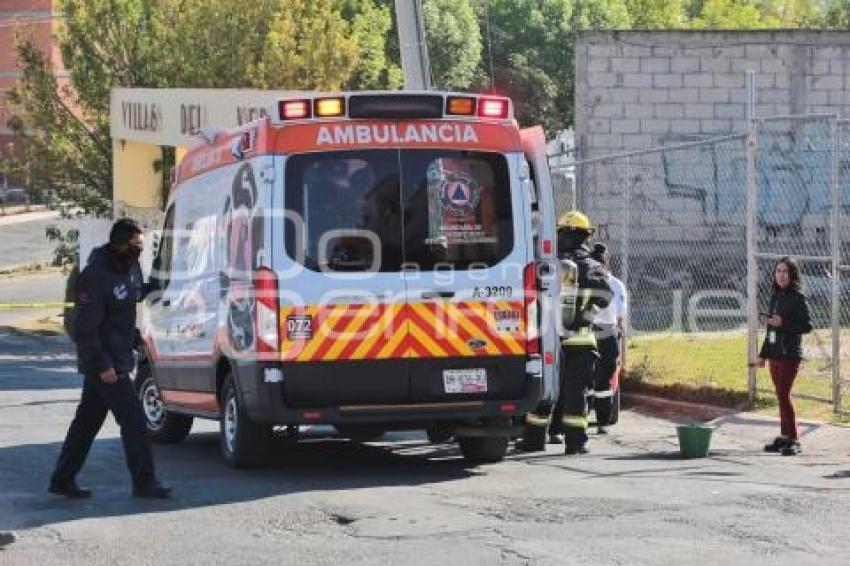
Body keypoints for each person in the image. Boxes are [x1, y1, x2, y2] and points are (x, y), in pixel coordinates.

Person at [49, 219, 171, 499]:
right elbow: (85, 329)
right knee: (135, 421)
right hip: (105, 365)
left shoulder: (127, 269)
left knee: (86, 423)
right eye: (136, 245)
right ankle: (144, 482)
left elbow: (124, 308)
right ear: (120, 243)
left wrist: (135, 336)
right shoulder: (95, 276)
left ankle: (62, 479)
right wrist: (102, 365)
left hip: (117, 358)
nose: (139, 250)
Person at [519, 211, 611, 455]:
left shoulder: (547, 265)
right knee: (576, 392)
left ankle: (534, 439)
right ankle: (576, 442)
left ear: (561, 234)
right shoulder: (592, 267)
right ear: (585, 236)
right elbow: (606, 298)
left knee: (545, 388)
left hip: (548, 339)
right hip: (581, 341)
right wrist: (585, 317)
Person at [756, 256, 812, 457]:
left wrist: (783, 324)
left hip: (790, 355)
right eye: (778, 271)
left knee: (783, 394)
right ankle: (784, 435)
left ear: (792, 275)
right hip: (775, 355)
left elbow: (806, 326)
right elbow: (772, 329)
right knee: (779, 395)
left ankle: (794, 438)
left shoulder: (798, 297)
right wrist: (764, 355)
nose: (781, 275)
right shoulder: (775, 296)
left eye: (785, 271)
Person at [588, 243, 626, 434]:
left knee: (594, 377)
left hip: (596, 331)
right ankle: (597, 420)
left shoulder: (612, 284)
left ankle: (595, 418)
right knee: (598, 377)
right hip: (600, 331)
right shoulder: (615, 284)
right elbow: (620, 316)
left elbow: (619, 317)